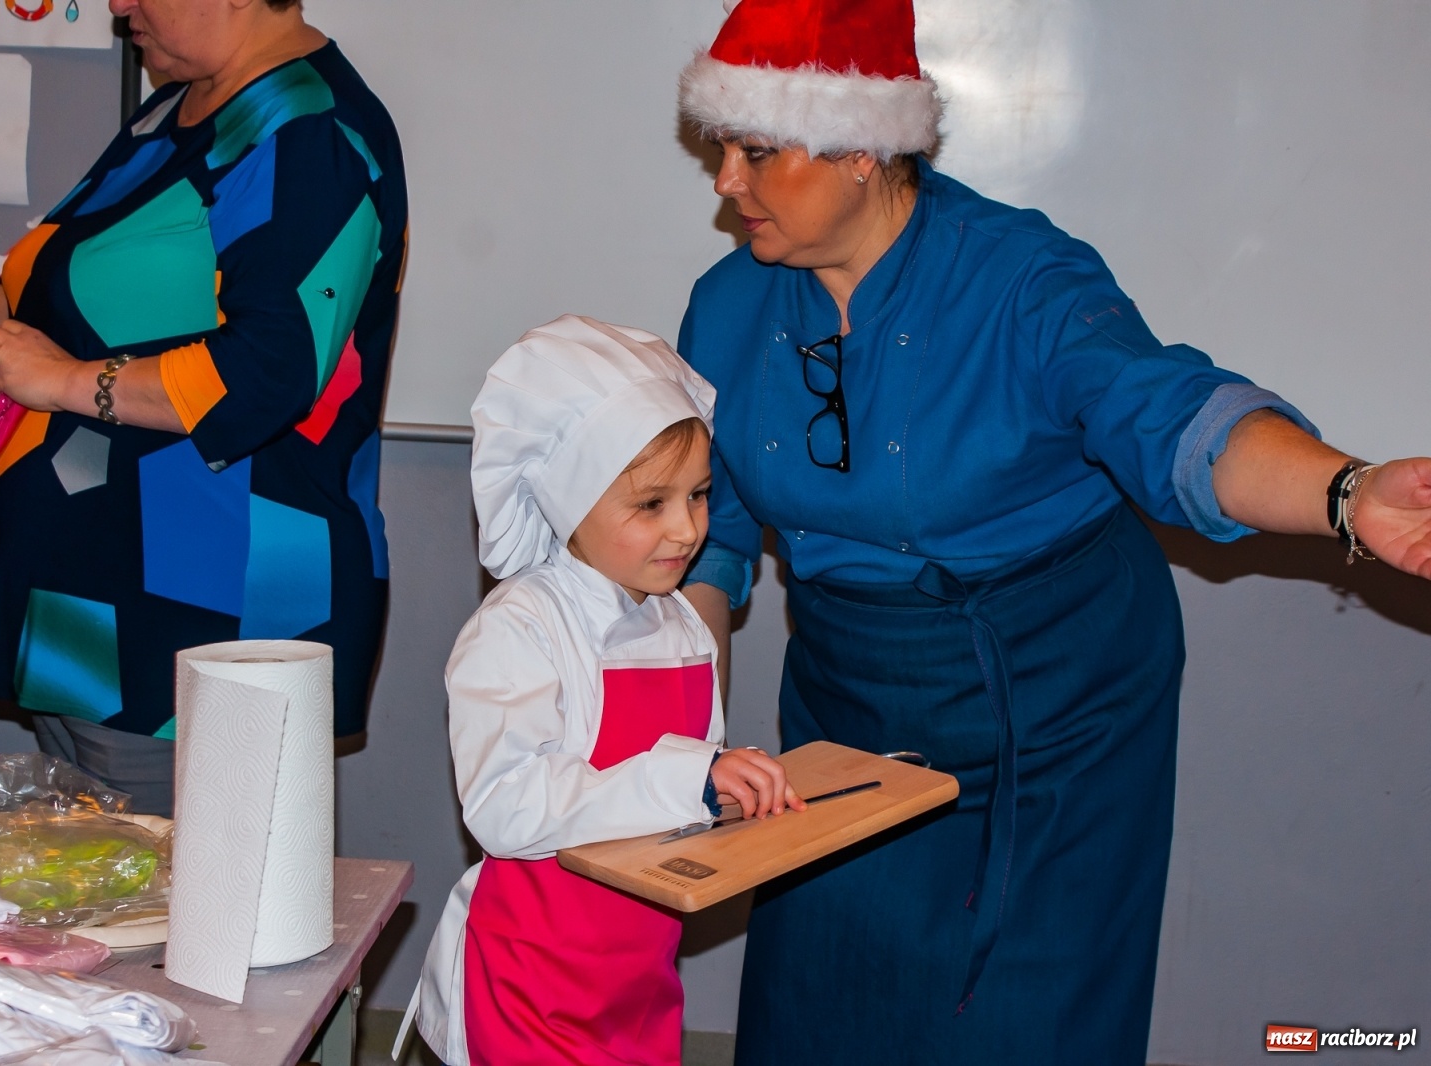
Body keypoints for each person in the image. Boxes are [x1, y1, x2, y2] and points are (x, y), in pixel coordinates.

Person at [672, 0, 1431, 1062]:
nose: (724, 183)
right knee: (823, 1005)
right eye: (720, 149)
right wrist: (671, 714)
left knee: (1029, 1020)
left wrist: (1345, 494)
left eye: (754, 151)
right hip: (851, 706)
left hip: (1057, 702)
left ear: (859, 151)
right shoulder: (726, 308)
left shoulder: (1020, 280)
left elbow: (1174, 420)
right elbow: (707, 533)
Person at [0, 0, 408, 814]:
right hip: (92, 607)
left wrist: (60, 382)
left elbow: (269, 371)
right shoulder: (180, 103)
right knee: (96, 916)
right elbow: (59, 277)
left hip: (201, 622)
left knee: (185, 922)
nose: (118, 4)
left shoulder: (309, 133)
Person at [397, 315, 804, 1066]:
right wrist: (687, 780)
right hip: (529, 987)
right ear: (568, 500)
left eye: (699, 495)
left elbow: (673, 799)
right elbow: (505, 808)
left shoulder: (679, 623)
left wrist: (730, 796)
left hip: (637, 980)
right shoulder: (521, 629)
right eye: (651, 504)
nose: (686, 529)